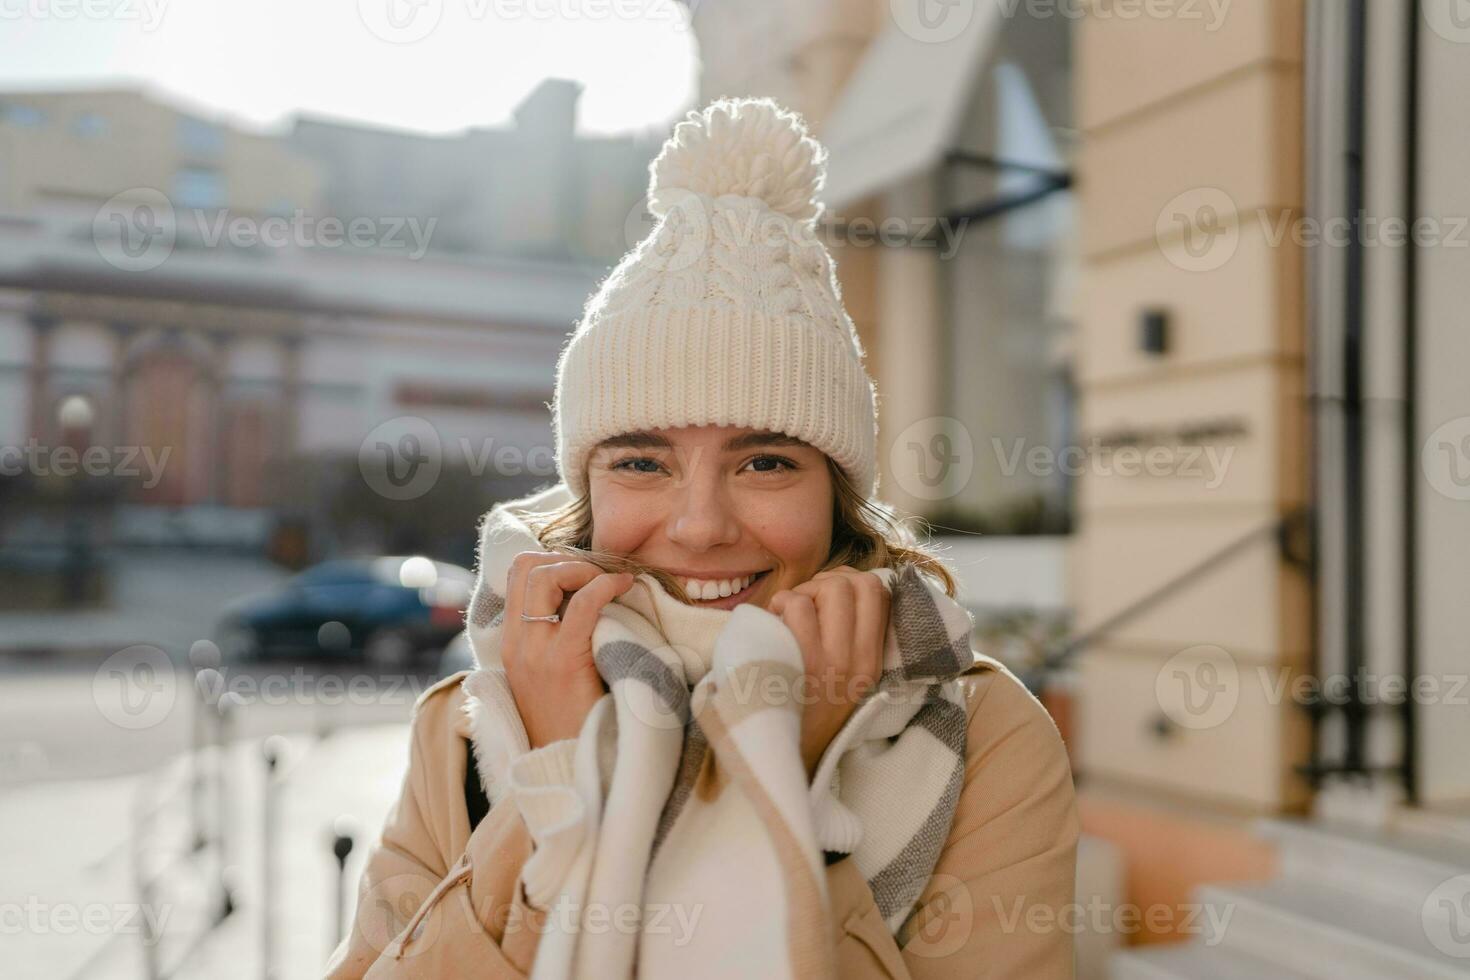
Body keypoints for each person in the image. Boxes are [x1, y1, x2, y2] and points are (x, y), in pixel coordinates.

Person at [325, 96, 1078, 980]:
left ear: (836, 492)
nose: (700, 526)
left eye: (764, 464)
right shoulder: (473, 724)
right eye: (643, 464)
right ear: (588, 489)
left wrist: (786, 771)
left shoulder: (984, 734)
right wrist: (553, 781)